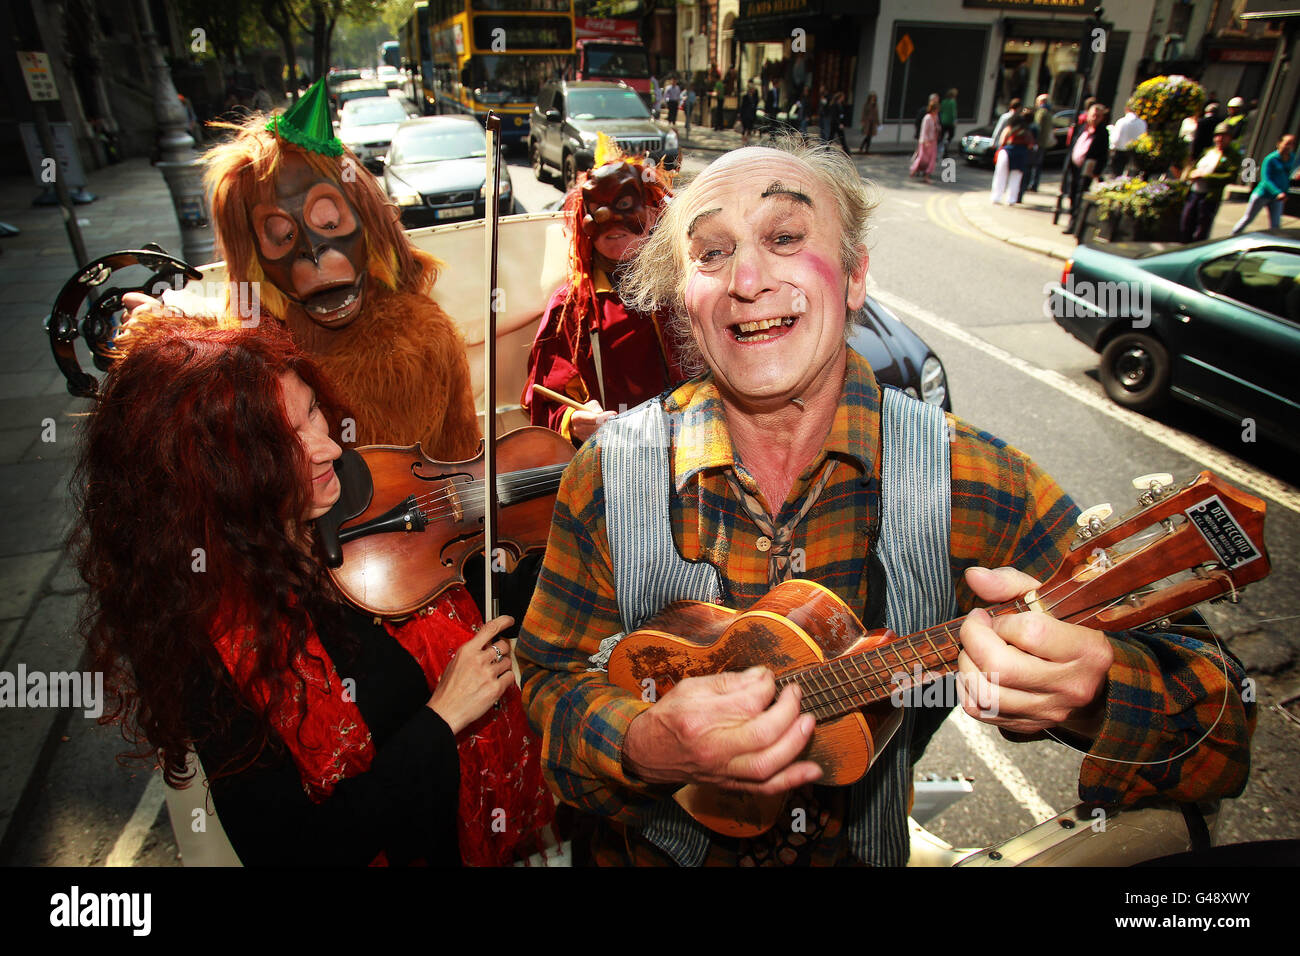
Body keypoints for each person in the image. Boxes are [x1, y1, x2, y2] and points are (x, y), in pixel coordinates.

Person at [515, 136, 1253, 866]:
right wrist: (642, 746)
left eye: (785, 236)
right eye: (710, 253)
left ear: (855, 275)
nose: (747, 277)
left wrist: (1096, 692)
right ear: (686, 299)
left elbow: (1225, 732)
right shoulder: (609, 473)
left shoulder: (975, 479)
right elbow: (547, 684)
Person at [75, 321, 553, 866]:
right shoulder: (207, 643)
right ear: (213, 478)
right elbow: (293, 852)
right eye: (285, 444)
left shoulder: (369, 499)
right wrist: (442, 719)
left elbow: (489, 588)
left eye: (311, 412)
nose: (329, 448)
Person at [121, 77, 480, 462]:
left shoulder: (412, 339)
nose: (313, 253)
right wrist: (170, 338)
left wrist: (189, 350)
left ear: (369, 225)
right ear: (256, 262)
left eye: (329, 224)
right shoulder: (262, 336)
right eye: (282, 236)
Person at [522, 144, 687, 445]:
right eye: (597, 208)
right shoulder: (570, 308)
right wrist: (574, 422)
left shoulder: (686, 287)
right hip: (611, 463)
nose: (609, 218)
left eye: (624, 204)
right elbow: (546, 401)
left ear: (652, 212)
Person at [1181, 123, 1241, 243]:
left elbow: (1230, 176)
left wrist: (1206, 177)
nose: (1220, 139)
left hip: (1209, 195)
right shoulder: (1208, 151)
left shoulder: (1233, 155)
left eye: (1224, 136)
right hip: (1194, 192)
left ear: (1230, 138)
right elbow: (1194, 166)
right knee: (1186, 221)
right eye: (1218, 136)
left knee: (1202, 226)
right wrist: (1192, 174)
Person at [1232, 133, 1298, 234]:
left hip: (1277, 198)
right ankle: (1233, 235)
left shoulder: (1292, 158)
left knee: (1275, 225)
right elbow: (1266, 179)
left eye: (1292, 144)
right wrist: (1277, 192)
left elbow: (1292, 172)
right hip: (1263, 195)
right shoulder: (1271, 159)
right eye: (1287, 143)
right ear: (1279, 143)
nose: (1289, 147)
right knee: (1248, 219)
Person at [1064, 104, 1110, 235]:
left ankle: (1074, 224)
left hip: (1087, 168)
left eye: (1098, 116)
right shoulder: (1082, 128)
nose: (1095, 118)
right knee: (1071, 192)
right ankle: (1072, 216)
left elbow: (1103, 155)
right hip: (1074, 167)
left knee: (1080, 194)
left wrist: (1097, 171)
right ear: (1088, 115)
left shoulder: (1102, 132)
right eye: (1093, 115)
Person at [991, 110, 1034, 204]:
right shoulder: (1027, 131)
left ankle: (996, 197)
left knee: (1000, 176)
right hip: (1020, 154)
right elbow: (1031, 145)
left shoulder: (1009, 128)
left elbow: (1002, 141)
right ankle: (1011, 199)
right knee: (1016, 177)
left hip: (1006, 152)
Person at [1024, 94, 1053, 193]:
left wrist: (1034, 141)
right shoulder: (1049, 113)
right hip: (1043, 142)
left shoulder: (1041, 112)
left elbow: (1037, 128)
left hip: (1038, 142)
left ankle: (1030, 184)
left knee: (1032, 165)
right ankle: (1034, 184)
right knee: (1038, 165)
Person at [1109, 105, 1148, 177]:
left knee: (1116, 176)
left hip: (1120, 152)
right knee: (1132, 177)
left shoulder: (1121, 121)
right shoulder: (1142, 123)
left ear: (1126, 109)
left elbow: (1115, 139)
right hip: (1135, 153)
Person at [909, 96, 940, 184]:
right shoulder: (927, 118)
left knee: (932, 159)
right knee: (922, 158)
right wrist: (925, 141)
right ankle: (914, 170)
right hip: (925, 141)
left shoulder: (936, 117)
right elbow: (924, 130)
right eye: (937, 109)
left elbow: (937, 127)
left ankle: (926, 175)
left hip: (933, 141)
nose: (938, 111)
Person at [938, 88, 958, 156]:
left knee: (941, 136)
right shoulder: (952, 102)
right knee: (950, 135)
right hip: (950, 122)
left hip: (943, 121)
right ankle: (945, 148)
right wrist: (955, 121)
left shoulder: (944, 101)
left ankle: (939, 150)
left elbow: (941, 111)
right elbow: (953, 112)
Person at [740, 80, 759, 145]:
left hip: (751, 115)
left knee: (749, 128)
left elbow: (755, 105)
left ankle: (747, 140)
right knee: (745, 128)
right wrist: (741, 115)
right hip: (745, 115)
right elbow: (743, 107)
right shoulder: (745, 97)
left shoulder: (755, 97)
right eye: (752, 89)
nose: (753, 90)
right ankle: (744, 140)